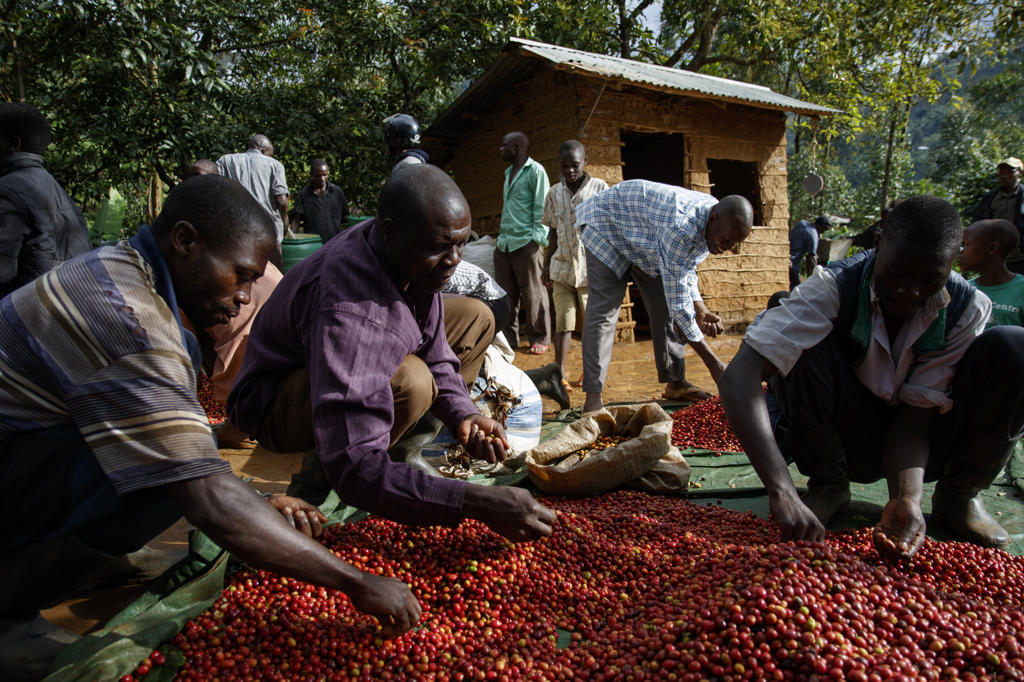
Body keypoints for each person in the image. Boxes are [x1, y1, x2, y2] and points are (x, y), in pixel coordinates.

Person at [0, 176, 422, 679]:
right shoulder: (130, 318)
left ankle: (78, 558)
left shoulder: (124, 270)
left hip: (26, 444)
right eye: (241, 275)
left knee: (166, 462)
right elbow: (203, 490)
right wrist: (355, 582)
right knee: (164, 482)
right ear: (184, 241)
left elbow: (192, 455)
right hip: (17, 456)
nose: (246, 298)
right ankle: (8, 611)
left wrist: (254, 499)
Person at [227, 164, 557, 541]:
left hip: (331, 361)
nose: (454, 259)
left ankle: (399, 458)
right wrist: (478, 503)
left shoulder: (409, 258)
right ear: (390, 232)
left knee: (473, 316)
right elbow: (356, 468)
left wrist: (463, 414)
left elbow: (435, 350)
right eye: (440, 246)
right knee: (411, 381)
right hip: (275, 404)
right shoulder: (351, 310)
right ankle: (320, 475)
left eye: (460, 243)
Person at [719, 196, 1024, 563]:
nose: (910, 292)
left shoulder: (966, 307)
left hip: (923, 442)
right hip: (844, 432)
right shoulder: (833, 287)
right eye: (896, 273)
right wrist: (781, 488)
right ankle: (829, 483)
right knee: (791, 334)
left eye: (930, 279)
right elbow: (740, 374)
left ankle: (960, 494)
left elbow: (915, 420)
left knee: (1014, 347)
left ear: (954, 261)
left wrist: (906, 498)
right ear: (878, 246)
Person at [576, 180, 754, 413]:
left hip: (646, 240)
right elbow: (680, 304)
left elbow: (685, 268)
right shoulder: (681, 228)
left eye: (734, 244)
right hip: (607, 226)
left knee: (665, 308)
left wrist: (701, 309)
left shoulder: (714, 217)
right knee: (604, 314)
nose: (727, 248)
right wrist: (714, 364)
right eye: (726, 241)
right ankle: (593, 397)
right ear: (713, 220)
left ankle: (675, 382)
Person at [0, 102, 90, 299]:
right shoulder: (54, 188)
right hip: (62, 312)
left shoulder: (8, 190)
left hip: (23, 316)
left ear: (14, 144)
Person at [542, 140, 608, 390]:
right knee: (563, 323)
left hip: (591, 272)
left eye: (575, 165)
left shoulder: (599, 188)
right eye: (565, 166)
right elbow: (552, 233)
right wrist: (546, 265)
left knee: (591, 325)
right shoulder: (554, 193)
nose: (570, 170)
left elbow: (607, 229)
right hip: (562, 270)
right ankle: (560, 375)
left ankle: (591, 375)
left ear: (585, 162)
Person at [494, 131, 551, 354]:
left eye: (504, 145)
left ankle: (541, 337)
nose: (501, 149)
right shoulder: (508, 173)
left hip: (526, 243)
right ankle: (510, 339)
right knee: (506, 295)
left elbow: (542, 208)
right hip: (505, 243)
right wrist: (501, 238)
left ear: (516, 148)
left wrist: (536, 240)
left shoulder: (535, 171)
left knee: (533, 293)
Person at [216, 134, 290, 245]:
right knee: (272, 261)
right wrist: (284, 220)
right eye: (270, 154)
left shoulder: (225, 161)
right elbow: (281, 200)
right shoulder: (275, 165)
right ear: (264, 150)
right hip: (267, 230)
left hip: (236, 228)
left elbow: (214, 186)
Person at [959, 218, 1024, 328]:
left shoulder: (1021, 289)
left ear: (992, 248)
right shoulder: (964, 290)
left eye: (967, 244)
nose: (961, 250)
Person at [972, 157, 1024, 274]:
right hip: (996, 258)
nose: (1005, 176)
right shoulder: (990, 198)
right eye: (1002, 173)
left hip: (1020, 257)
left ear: (1019, 173)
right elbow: (978, 223)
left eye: (1010, 172)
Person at [289, 158, 349, 242]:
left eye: (325, 175)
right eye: (318, 176)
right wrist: (293, 241)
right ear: (311, 174)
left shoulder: (336, 191)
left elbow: (346, 218)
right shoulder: (303, 195)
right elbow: (296, 220)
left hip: (335, 243)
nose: (322, 179)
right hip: (313, 244)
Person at [788, 214, 831, 289]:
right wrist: (818, 274)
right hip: (792, 263)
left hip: (783, 257)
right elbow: (811, 257)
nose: (823, 232)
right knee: (795, 289)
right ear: (821, 226)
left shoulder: (802, 223)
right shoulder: (813, 235)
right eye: (824, 229)